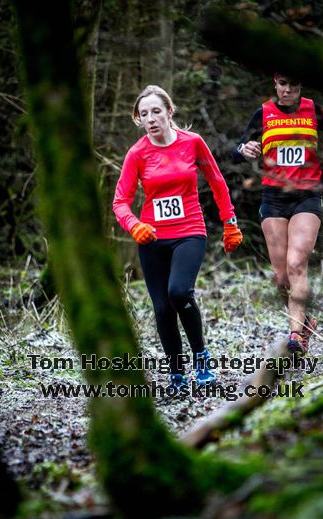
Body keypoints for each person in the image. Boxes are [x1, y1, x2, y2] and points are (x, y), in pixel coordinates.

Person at [113, 85, 243, 392]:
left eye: (156, 111)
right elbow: (120, 201)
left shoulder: (193, 143)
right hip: (152, 239)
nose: (151, 119)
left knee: (180, 292)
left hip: (189, 232)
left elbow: (217, 182)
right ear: (139, 120)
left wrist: (230, 223)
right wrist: (134, 226)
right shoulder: (137, 154)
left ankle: (201, 358)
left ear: (170, 112)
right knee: (161, 308)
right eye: (144, 114)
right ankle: (176, 374)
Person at [233, 73, 323, 355]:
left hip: (306, 197)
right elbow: (237, 150)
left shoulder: (314, 110)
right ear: (274, 84)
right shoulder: (263, 113)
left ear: (301, 86)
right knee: (281, 278)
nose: (288, 89)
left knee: (297, 263)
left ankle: (295, 336)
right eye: (283, 84)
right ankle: (306, 321)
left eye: (294, 84)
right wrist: (244, 149)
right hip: (273, 199)